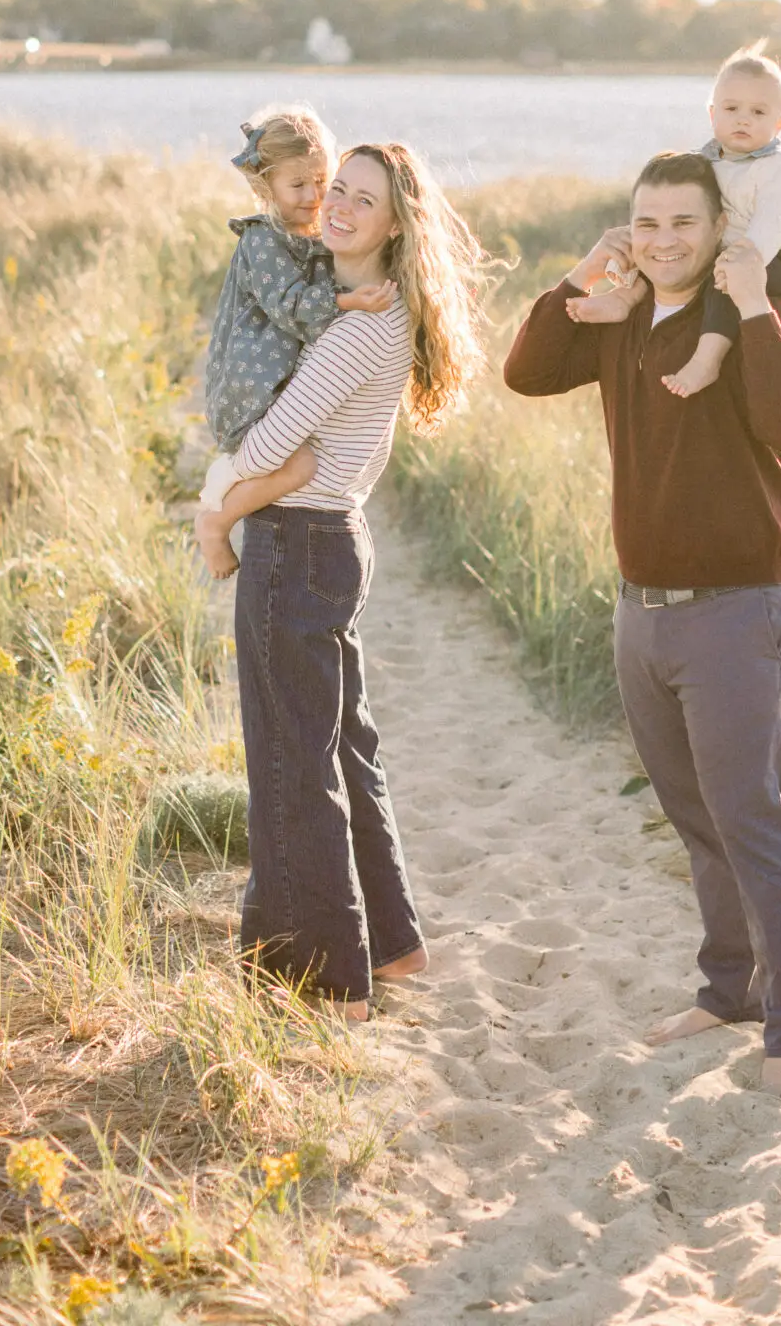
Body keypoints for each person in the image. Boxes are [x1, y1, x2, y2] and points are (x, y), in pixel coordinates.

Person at [503, 149, 781, 1096]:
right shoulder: (624, 318)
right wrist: (579, 275)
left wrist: (758, 303)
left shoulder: (746, 315)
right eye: (645, 223)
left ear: (720, 228)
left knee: (750, 818)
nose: (663, 240)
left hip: (737, 610)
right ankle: (726, 991)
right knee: (694, 818)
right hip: (640, 612)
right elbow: (527, 371)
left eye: (681, 222)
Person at [225, 142, 490, 1018]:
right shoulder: (371, 317)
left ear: (393, 224)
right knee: (340, 748)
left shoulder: (355, 330)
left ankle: (330, 981)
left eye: (362, 198)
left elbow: (269, 449)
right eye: (336, 187)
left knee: (289, 760)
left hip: (296, 545)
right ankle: (393, 945)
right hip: (329, 538)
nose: (337, 204)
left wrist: (215, 513)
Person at [195, 105, 397, 579]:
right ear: (266, 187)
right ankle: (216, 519)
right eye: (298, 185)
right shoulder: (262, 241)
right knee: (300, 463)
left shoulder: (312, 236)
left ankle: (225, 491)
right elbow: (289, 304)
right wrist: (347, 303)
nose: (315, 196)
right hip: (247, 389)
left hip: (275, 382)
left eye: (323, 181)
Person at [571, 44, 781, 400]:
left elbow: (773, 221)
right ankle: (625, 297)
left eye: (758, 111)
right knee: (665, 249)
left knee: (724, 287)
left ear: (779, 123)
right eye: (732, 109)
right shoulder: (706, 162)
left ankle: (707, 358)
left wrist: (746, 258)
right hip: (727, 252)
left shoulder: (777, 168)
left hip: (777, 259)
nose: (743, 119)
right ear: (712, 114)